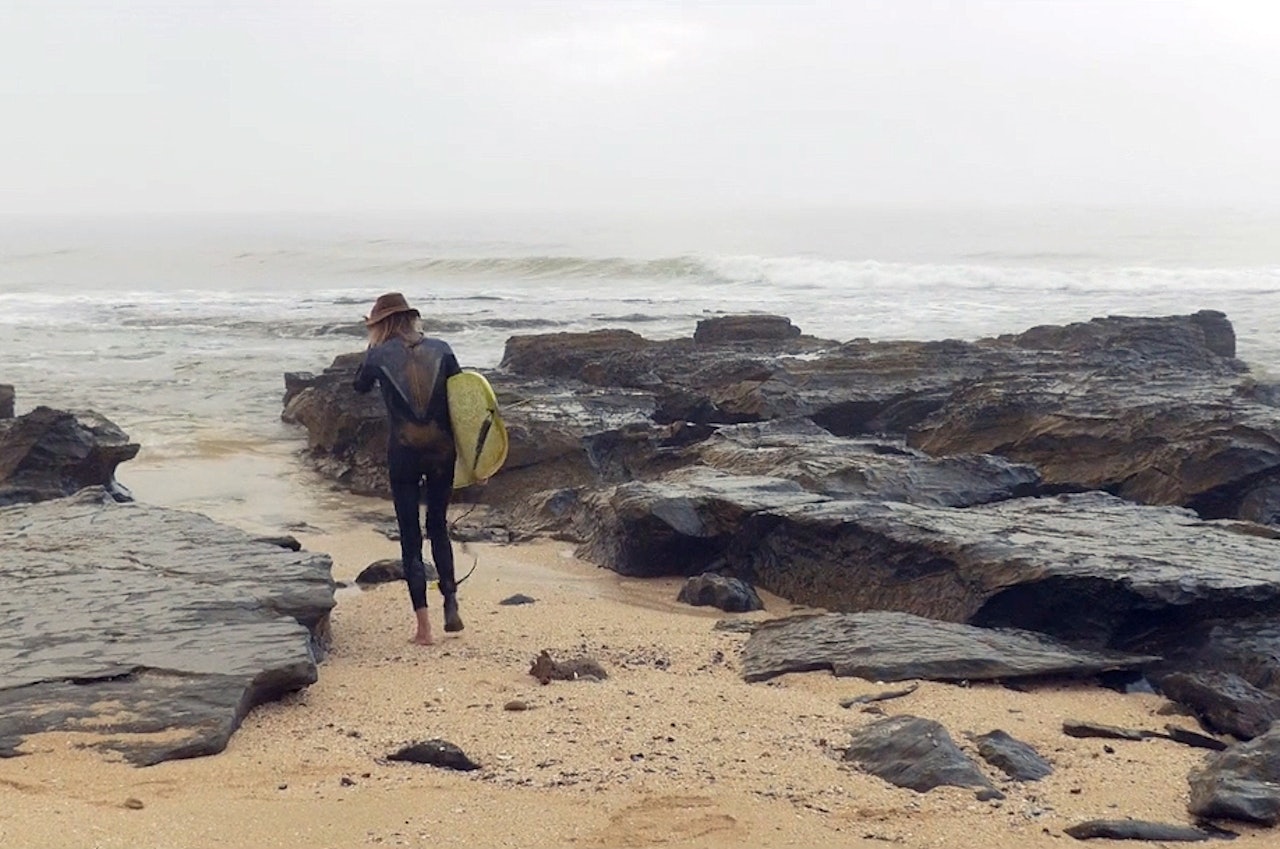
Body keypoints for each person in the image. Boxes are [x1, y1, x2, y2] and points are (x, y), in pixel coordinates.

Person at [353, 292, 464, 645]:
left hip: (404, 452)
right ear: (411, 318)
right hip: (442, 450)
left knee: (410, 536)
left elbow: (359, 386)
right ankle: (451, 601)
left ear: (381, 323)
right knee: (438, 527)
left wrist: (372, 350)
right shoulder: (442, 349)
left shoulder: (378, 354)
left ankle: (424, 629)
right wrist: (477, 457)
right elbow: (465, 400)